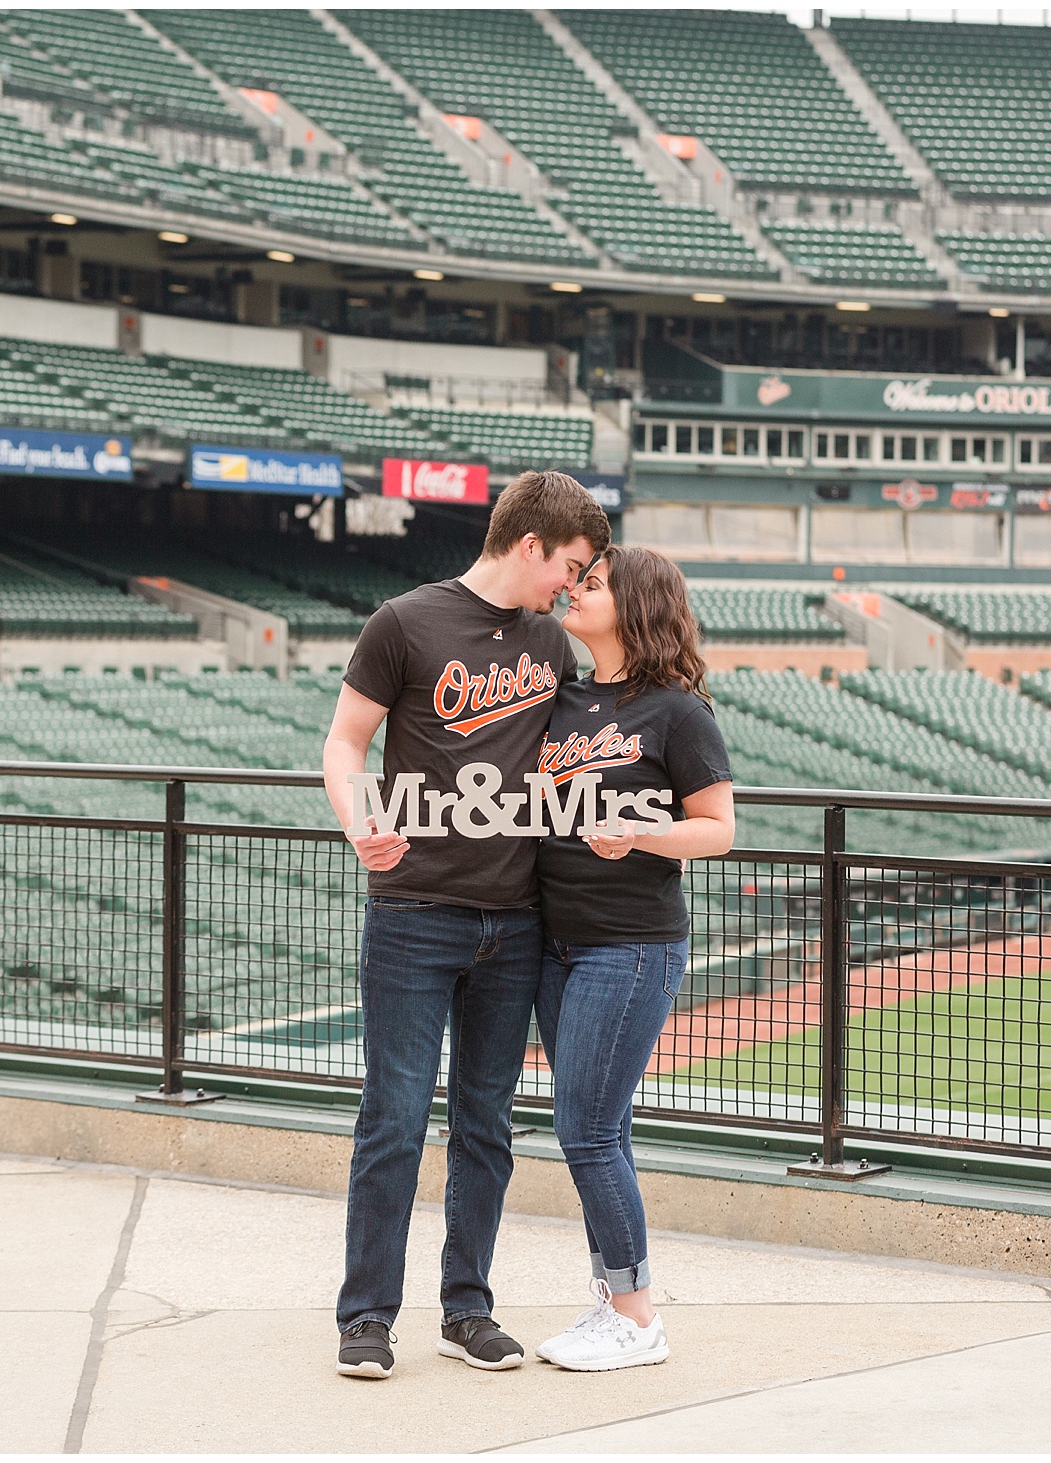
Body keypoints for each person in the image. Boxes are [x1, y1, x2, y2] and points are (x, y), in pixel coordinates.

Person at [321, 470, 612, 1380]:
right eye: (565, 566)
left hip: (515, 920)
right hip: (413, 913)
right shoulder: (404, 622)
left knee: (486, 1126)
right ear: (529, 544)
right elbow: (344, 741)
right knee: (394, 1120)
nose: (569, 586)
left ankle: (466, 1308)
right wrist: (357, 817)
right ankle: (366, 1315)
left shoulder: (551, 645)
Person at [529, 545, 735, 1372]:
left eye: (595, 582)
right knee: (598, 1129)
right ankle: (612, 1298)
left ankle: (638, 1317)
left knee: (584, 1129)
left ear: (637, 603)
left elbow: (717, 828)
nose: (575, 590)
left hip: (631, 943)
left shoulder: (676, 711)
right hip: (554, 940)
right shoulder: (560, 698)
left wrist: (642, 833)